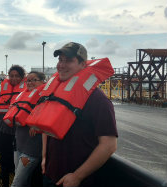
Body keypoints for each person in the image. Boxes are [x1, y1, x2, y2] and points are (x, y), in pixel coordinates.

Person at [41, 42, 118, 187]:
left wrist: (77, 176)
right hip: (50, 175)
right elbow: (47, 128)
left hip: (75, 181)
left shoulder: (98, 100)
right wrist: (44, 156)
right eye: (60, 60)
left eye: (68, 60)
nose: (61, 65)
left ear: (83, 65)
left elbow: (109, 145)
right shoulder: (54, 94)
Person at [11, 71, 45, 187]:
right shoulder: (22, 96)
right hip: (19, 145)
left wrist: (37, 124)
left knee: (17, 183)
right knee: (22, 180)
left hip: (31, 149)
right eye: (28, 80)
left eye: (34, 80)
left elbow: (49, 118)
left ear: (42, 82)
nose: (30, 83)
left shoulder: (46, 99)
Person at [0, 65, 26, 187]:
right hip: (4, 129)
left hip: (19, 131)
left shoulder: (27, 90)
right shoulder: (3, 89)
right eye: (12, 76)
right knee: (4, 157)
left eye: (17, 76)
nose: (14, 78)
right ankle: (4, 182)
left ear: (22, 77)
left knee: (17, 161)